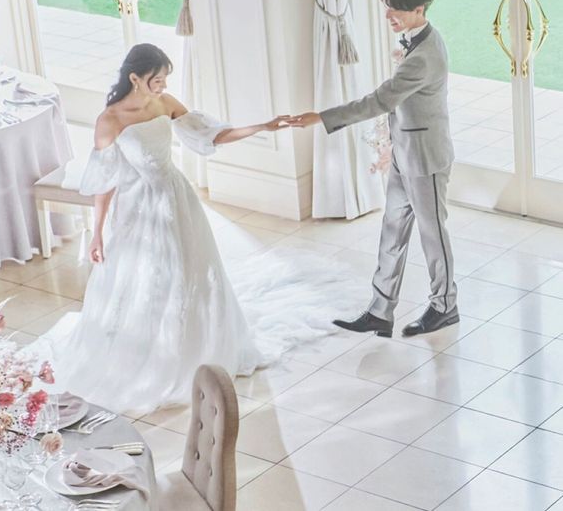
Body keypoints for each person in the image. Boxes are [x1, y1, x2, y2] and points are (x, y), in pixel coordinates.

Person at [32, 43, 362, 414]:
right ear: (134, 78)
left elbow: (212, 135)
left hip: (177, 199)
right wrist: (96, 232)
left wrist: (263, 126)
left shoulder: (164, 103)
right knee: (148, 279)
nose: (162, 86)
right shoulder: (110, 120)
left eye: (165, 79)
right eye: (157, 80)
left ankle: (195, 345)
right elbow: (106, 181)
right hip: (140, 209)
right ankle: (154, 351)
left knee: (191, 271)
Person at [290, 0, 458, 338]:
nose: (387, 16)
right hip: (404, 153)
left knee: (433, 235)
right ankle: (380, 311)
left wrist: (322, 117)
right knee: (392, 231)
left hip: (426, 159)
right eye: (387, 8)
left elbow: (379, 101)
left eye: (395, 9)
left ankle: (445, 306)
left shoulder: (423, 56)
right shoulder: (418, 39)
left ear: (419, 9)